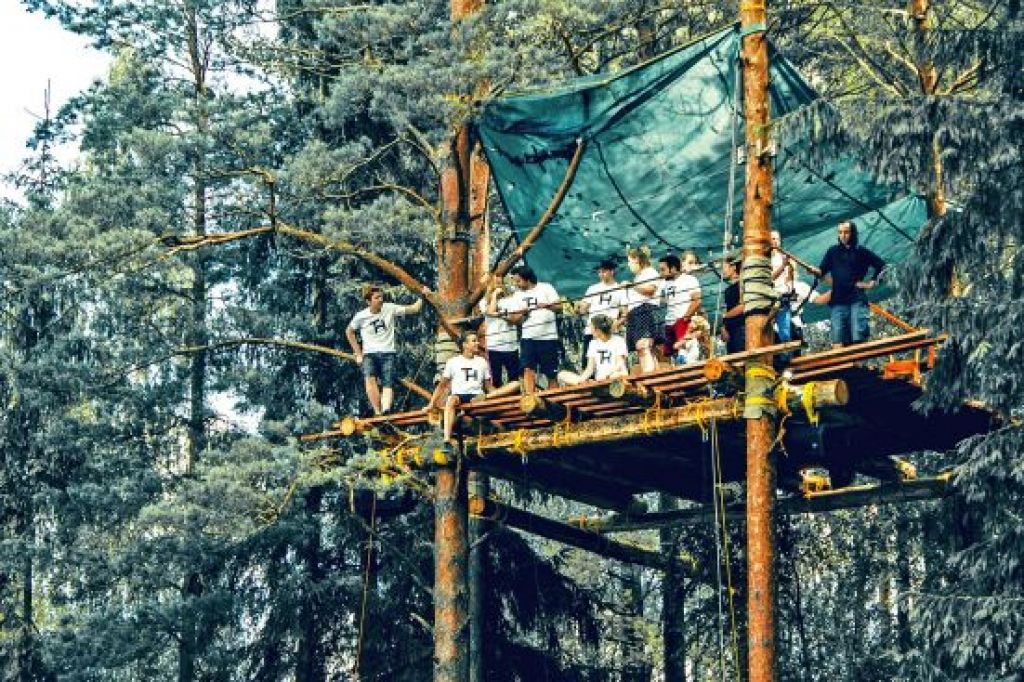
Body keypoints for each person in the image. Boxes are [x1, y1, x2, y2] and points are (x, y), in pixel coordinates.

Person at [346, 285, 427, 415]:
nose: (380, 300)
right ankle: (378, 411)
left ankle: (386, 410)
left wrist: (423, 296)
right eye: (377, 297)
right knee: (369, 379)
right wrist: (358, 353)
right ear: (368, 301)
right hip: (369, 354)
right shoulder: (361, 316)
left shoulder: (389, 308)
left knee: (387, 382)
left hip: (388, 353)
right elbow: (349, 331)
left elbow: (414, 308)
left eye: (381, 297)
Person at [812, 220, 885, 347]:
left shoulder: (861, 251)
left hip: (856, 298)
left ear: (853, 233)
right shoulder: (832, 251)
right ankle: (846, 366)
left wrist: (871, 283)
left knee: (858, 335)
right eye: (840, 232)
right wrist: (814, 271)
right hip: (838, 300)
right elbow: (821, 270)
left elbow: (882, 266)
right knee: (838, 339)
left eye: (846, 232)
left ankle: (859, 365)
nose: (843, 235)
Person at [503, 265, 561, 393]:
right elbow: (513, 320)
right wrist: (522, 313)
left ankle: (556, 400)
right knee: (527, 369)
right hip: (528, 338)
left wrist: (547, 306)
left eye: (518, 281)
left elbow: (559, 308)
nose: (516, 284)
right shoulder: (517, 295)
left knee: (551, 372)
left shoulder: (546, 287)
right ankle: (530, 397)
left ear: (527, 279)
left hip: (548, 337)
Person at [428, 332, 494, 444]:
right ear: (465, 344)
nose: (477, 343)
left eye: (477, 340)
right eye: (474, 341)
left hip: (477, 396)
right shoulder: (453, 362)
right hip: (459, 396)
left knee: (514, 384)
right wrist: (431, 403)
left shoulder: (482, 362)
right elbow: (442, 385)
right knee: (451, 400)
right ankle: (447, 438)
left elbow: (488, 387)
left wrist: (498, 395)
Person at [575, 258, 627, 360]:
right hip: (591, 331)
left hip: (609, 331)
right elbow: (583, 310)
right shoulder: (592, 288)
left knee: (612, 361)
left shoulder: (620, 289)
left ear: (612, 271)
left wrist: (616, 324)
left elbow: (625, 313)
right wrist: (578, 307)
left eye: (603, 271)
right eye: (599, 272)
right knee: (587, 362)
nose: (600, 274)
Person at [557, 315, 629, 386]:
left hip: (615, 375)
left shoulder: (619, 341)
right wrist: (581, 380)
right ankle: (585, 384)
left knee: (616, 375)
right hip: (600, 381)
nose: (590, 331)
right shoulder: (593, 343)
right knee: (562, 374)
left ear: (598, 330)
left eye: (591, 328)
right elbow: (590, 369)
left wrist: (607, 375)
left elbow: (620, 364)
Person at [625, 246, 662, 373]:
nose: (629, 265)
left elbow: (650, 290)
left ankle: (649, 375)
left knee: (643, 345)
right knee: (642, 348)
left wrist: (632, 286)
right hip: (635, 312)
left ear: (637, 259)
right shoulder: (639, 276)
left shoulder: (650, 272)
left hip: (645, 310)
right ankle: (652, 373)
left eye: (630, 261)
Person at [658, 254, 702, 359]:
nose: (661, 273)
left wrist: (685, 318)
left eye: (663, 270)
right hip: (669, 322)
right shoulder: (665, 282)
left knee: (685, 351)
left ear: (673, 269)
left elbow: (697, 301)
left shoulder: (689, 279)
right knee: (668, 354)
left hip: (682, 320)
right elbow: (662, 299)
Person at [480, 278, 519, 388]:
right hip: (494, 345)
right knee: (496, 378)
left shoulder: (510, 301)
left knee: (514, 377)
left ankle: (514, 400)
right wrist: (494, 296)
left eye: (501, 283)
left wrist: (505, 316)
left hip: (511, 345)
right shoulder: (484, 302)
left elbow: (515, 318)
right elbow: (490, 311)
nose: (500, 286)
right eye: (497, 283)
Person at [770, 230, 796, 346]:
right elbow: (770, 278)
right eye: (772, 239)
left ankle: (786, 360)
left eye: (776, 239)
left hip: (783, 297)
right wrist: (783, 266)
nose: (774, 241)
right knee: (767, 330)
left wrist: (790, 268)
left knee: (785, 332)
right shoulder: (765, 259)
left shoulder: (784, 257)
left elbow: (789, 278)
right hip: (769, 298)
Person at [720, 256, 746, 354]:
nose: (723, 271)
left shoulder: (742, 285)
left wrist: (725, 316)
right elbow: (728, 310)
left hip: (741, 329)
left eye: (724, 267)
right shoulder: (728, 290)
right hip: (730, 332)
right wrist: (723, 327)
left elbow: (742, 306)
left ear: (733, 267)